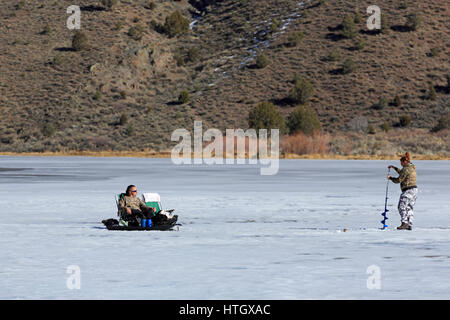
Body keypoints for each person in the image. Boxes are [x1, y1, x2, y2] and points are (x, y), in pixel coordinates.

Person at [387, 152, 418, 230]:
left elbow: (399, 180)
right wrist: (394, 168)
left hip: (408, 190)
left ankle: (404, 223)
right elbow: (402, 172)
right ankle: (409, 224)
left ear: (404, 162)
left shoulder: (406, 168)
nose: (401, 164)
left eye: (401, 162)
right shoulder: (411, 167)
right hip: (414, 190)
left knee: (401, 206)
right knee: (409, 207)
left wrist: (390, 178)